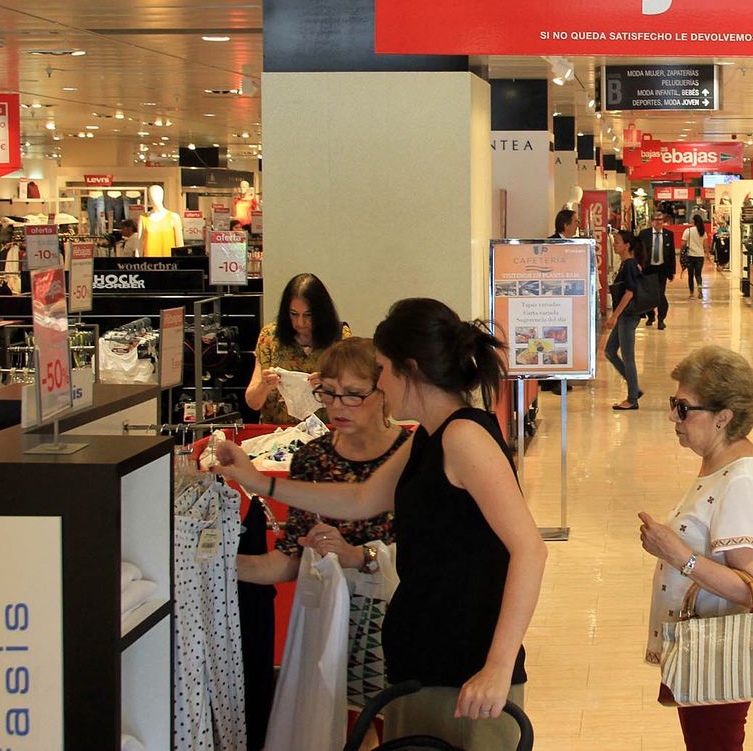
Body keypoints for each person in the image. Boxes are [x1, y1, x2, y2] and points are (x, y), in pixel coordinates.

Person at [213, 298, 546, 750]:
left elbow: (529, 549)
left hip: (465, 673)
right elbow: (361, 498)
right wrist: (259, 483)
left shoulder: (465, 436)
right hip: (421, 664)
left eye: (384, 369)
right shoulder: (430, 434)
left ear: (410, 368)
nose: (381, 384)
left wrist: (498, 666)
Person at [235, 337, 408, 746]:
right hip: (331, 622)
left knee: (402, 728)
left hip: (402, 622)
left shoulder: (412, 455)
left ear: (384, 392)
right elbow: (290, 558)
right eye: (327, 392)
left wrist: (357, 556)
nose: (336, 406)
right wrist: (216, 562)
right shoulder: (312, 457)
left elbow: (431, 556)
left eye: (352, 395)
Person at [638, 346, 753, 751]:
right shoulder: (719, 465)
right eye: (673, 405)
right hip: (702, 645)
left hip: (718, 649)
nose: (673, 418)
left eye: (684, 408)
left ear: (723, 417)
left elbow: (747, 588)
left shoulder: (742, 481)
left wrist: (677, 554)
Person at [247, 273, 352, 424]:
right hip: (278, 436)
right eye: (294, 314)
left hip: (326, 434)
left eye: (308, 315)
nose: (300, 322)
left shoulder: (340, 338)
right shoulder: (269, 336)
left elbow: (353, 399)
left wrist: (330, 387)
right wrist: (264, 385)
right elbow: (253, 403)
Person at [606, 229, 648, 411]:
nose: (614, 244)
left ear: (627, 245)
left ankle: (632, 398)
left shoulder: (630, 264)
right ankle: (634, 387)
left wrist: (614, 316)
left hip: (627, 316)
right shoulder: (627, 264)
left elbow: (629, 293)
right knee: (609, 351)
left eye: (617, 241)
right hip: (624, 316)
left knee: (628, 356)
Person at [642, 211, 678, 329]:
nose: (658, 222)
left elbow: (671, 253)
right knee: (648, 294)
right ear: (652, 221)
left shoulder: (668, 234)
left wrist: (672, 271)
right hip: (648, 268)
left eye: (660, 220)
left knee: (660, 294)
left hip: (662, 269)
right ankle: (650, 315)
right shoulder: (644, 234)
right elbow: (639, 251)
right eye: (656, 220)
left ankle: (661, 319)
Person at [682, 216, 708, 294]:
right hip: (700, 256)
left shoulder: (688, 231)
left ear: (694, 222)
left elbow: (683, 243)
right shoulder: (703, 232)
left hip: (690, 256)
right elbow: (705, 245)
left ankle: (691, 293)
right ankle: (699, 284)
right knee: (698, 274)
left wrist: (681, 253)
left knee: (690, 275)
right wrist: (707, 254)